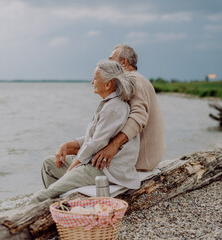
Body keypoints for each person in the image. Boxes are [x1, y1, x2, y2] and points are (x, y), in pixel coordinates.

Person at [29, 60, 141, 203]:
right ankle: (59, 208)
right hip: (92, 162)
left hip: (105, 170)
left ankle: (31, 211)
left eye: (95, 78)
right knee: (49, 164)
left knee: (42, 195)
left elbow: (96, 143)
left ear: (108, 84)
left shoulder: (114, 108)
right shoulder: (109, 104)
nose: (92, 82)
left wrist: (74, 167)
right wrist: (68, 145)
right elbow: (95, 136)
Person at [91, 43, 166, 171]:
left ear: (124, 62)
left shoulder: (132, 79)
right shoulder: (139, 79)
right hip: (147, 157)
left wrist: (113, 146)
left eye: (111, 60)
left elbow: (139, 116)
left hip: (141, 162)